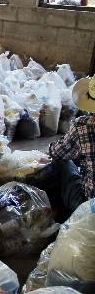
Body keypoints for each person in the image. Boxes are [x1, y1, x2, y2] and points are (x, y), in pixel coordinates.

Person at [48, 76, 95, 212]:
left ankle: (60, 209)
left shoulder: (83, 125)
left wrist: (51, 149)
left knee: (64, 162)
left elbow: (56, 152)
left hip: (88, 208)